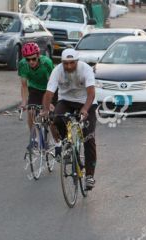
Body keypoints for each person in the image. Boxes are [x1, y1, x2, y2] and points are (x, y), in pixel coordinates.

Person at [40, 49, 99, 190]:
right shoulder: (57, 71)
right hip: (66, 101)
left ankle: (90, 175)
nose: (69, 66)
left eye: (72, 63)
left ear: (77, 62)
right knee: (56, 119)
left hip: (86, 102)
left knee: (88, 137)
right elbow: (49, 93)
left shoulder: (85, 69)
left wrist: (85, 109)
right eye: (66, 63)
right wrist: (46, 109)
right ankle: (67, 144)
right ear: (62, 63)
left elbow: (91, 93)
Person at [18, 42, 54, 149]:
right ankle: (33, 138)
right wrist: (24, 103)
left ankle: (52, 137)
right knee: (31, 110)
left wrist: (50, 102)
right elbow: (24, 86)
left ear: (38, 55)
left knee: (50, 113)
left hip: (48, 88)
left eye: (33, 59)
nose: (31, 62)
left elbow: (52, 83)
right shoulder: (23, 64)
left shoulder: (46, 63)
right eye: (28, 59)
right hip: (34, 88)